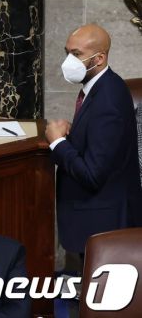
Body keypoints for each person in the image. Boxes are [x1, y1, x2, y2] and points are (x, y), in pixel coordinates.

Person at [45, 23, 142, 254]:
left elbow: (92, 174)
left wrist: (57, 142)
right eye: (67, 52)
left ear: (99, 59)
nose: (69, 61)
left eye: (77, 54)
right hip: (96, 217)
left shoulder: (108, 98)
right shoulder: (100, 87)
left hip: (104, 224)